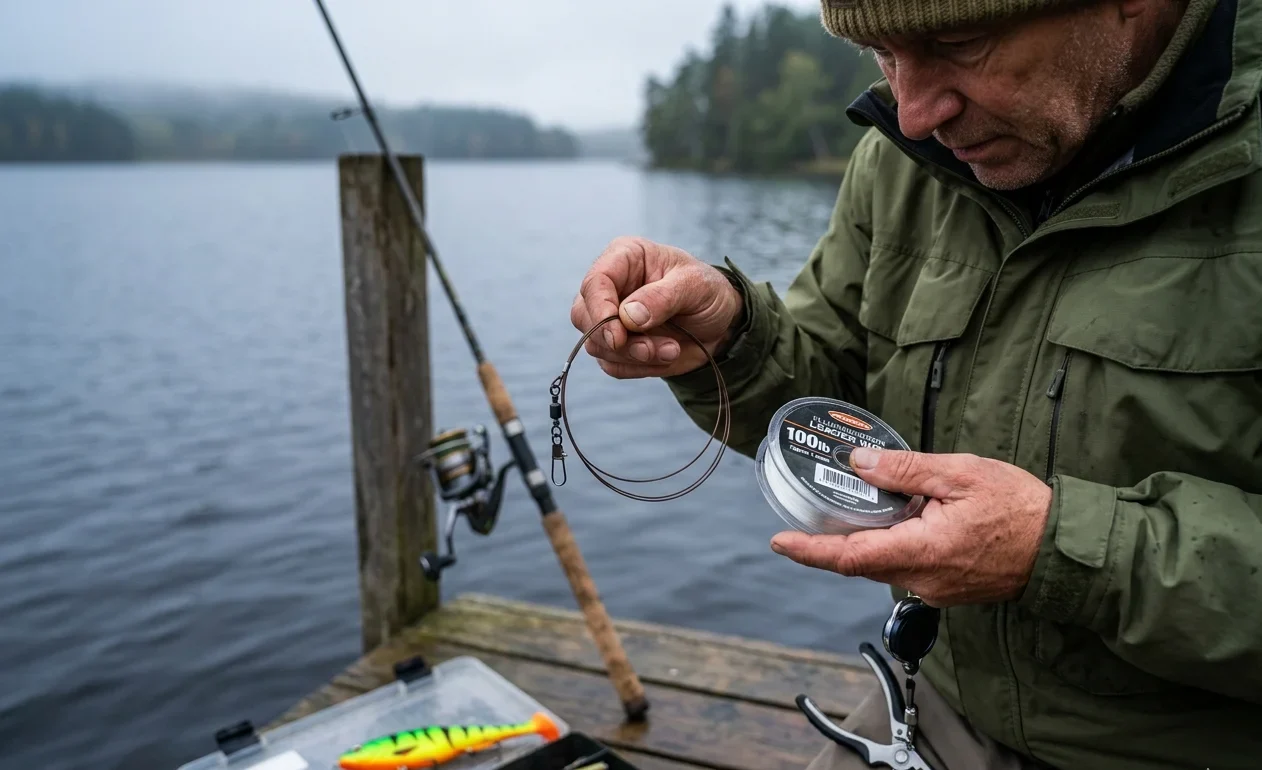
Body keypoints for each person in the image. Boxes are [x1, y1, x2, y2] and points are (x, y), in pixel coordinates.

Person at [569, 0, 1262, 768]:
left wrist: (1057, 551)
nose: (915, 112)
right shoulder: (903, 157)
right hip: (936, 709)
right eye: (883, 56)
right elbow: (839, 399)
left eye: (960, 42)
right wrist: (731, 339)